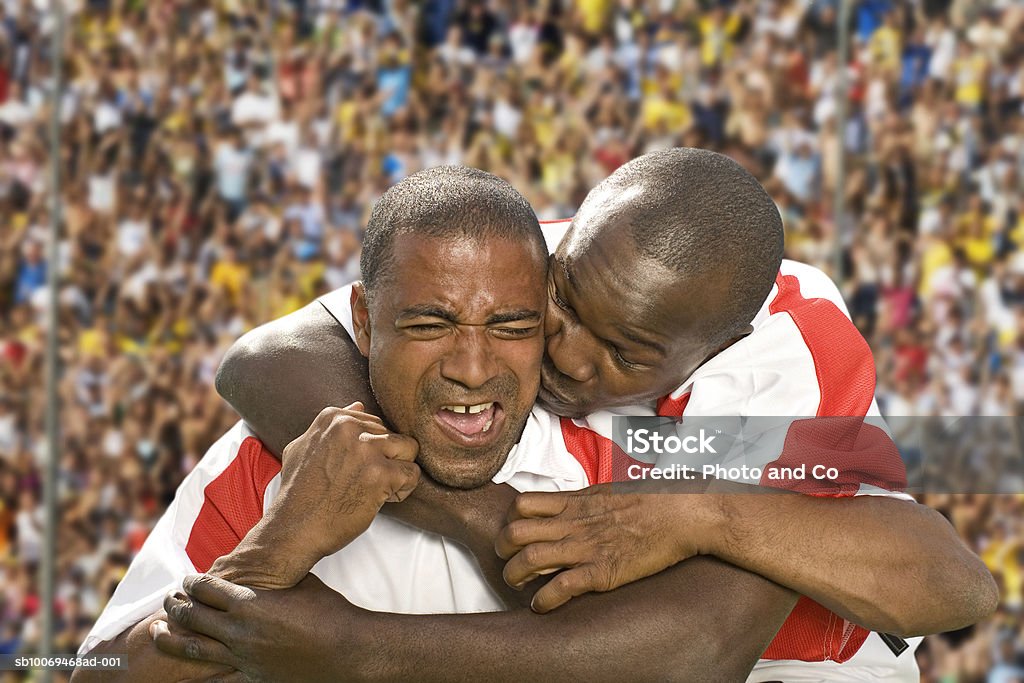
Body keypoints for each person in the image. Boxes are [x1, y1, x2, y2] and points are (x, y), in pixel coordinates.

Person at [157, 151, 994, 680]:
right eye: (560, 302)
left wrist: (358, 649)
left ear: (713, 347)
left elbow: (694, 648)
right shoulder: (584, 252)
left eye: (621, 351)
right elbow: (266, 357)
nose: (564, 350)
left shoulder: (784, 362)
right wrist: (487, 519)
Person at [73, 166, 798, 682]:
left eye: (511, 326)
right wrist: (270, 556)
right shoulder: (267, 460)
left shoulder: (638, 474)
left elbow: (692, 651)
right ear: (362, 320)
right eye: (430, 323)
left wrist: (356, 652)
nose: (473, 367)